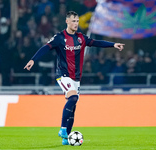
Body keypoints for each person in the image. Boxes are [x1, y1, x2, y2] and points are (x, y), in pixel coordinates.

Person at [24, 11, 124, 145]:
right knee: (73, 98)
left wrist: (113, 44)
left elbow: (96, 42)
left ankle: (66, 138)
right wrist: (33, 60)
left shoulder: (81, 38)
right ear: (67, 21)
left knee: (73, 107)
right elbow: (45, 48)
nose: (76, 24)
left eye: (77, 21)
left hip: (76, 78)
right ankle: (62, 129)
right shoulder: (59, 37)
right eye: (73, 21)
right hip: (63, 75)